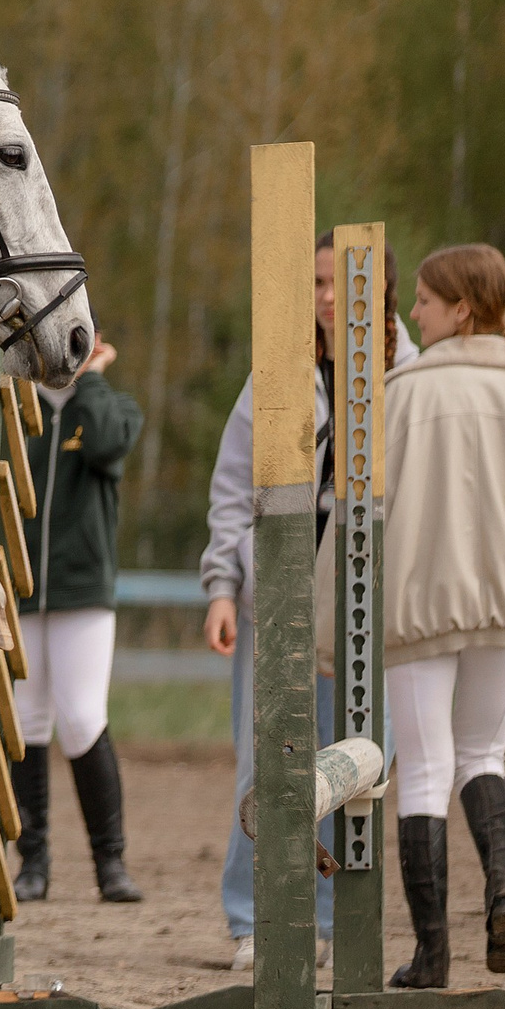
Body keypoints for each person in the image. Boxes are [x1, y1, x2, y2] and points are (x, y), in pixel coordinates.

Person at [200, 232, 415, 971]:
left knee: (351, 755)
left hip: (364, 597)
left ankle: (332, 918)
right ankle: (250, 915)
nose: (326, 296)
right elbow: (232, 489)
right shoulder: (278, 372)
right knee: (262, 756)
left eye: (338, 282)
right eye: (316, 282)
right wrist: (222, 588)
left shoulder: (408, 375)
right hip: (275, 594)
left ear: (380, 290)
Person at [380, 243, 505, 988]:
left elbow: (367, 516)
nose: (415, 313)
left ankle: (432, 958)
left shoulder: (401, 395)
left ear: (462, 308)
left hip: (419, 605)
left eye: (426, 301)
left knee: (426, 772)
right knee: (484, 756)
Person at [6, 336, 145, 903]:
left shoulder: (112, 407)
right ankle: (32, 861)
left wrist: (89, 379)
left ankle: (109, 862)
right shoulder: (15, 411)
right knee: (28, 720)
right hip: (22, 591)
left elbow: (106, 446)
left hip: (82, 592)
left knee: (83, 719)